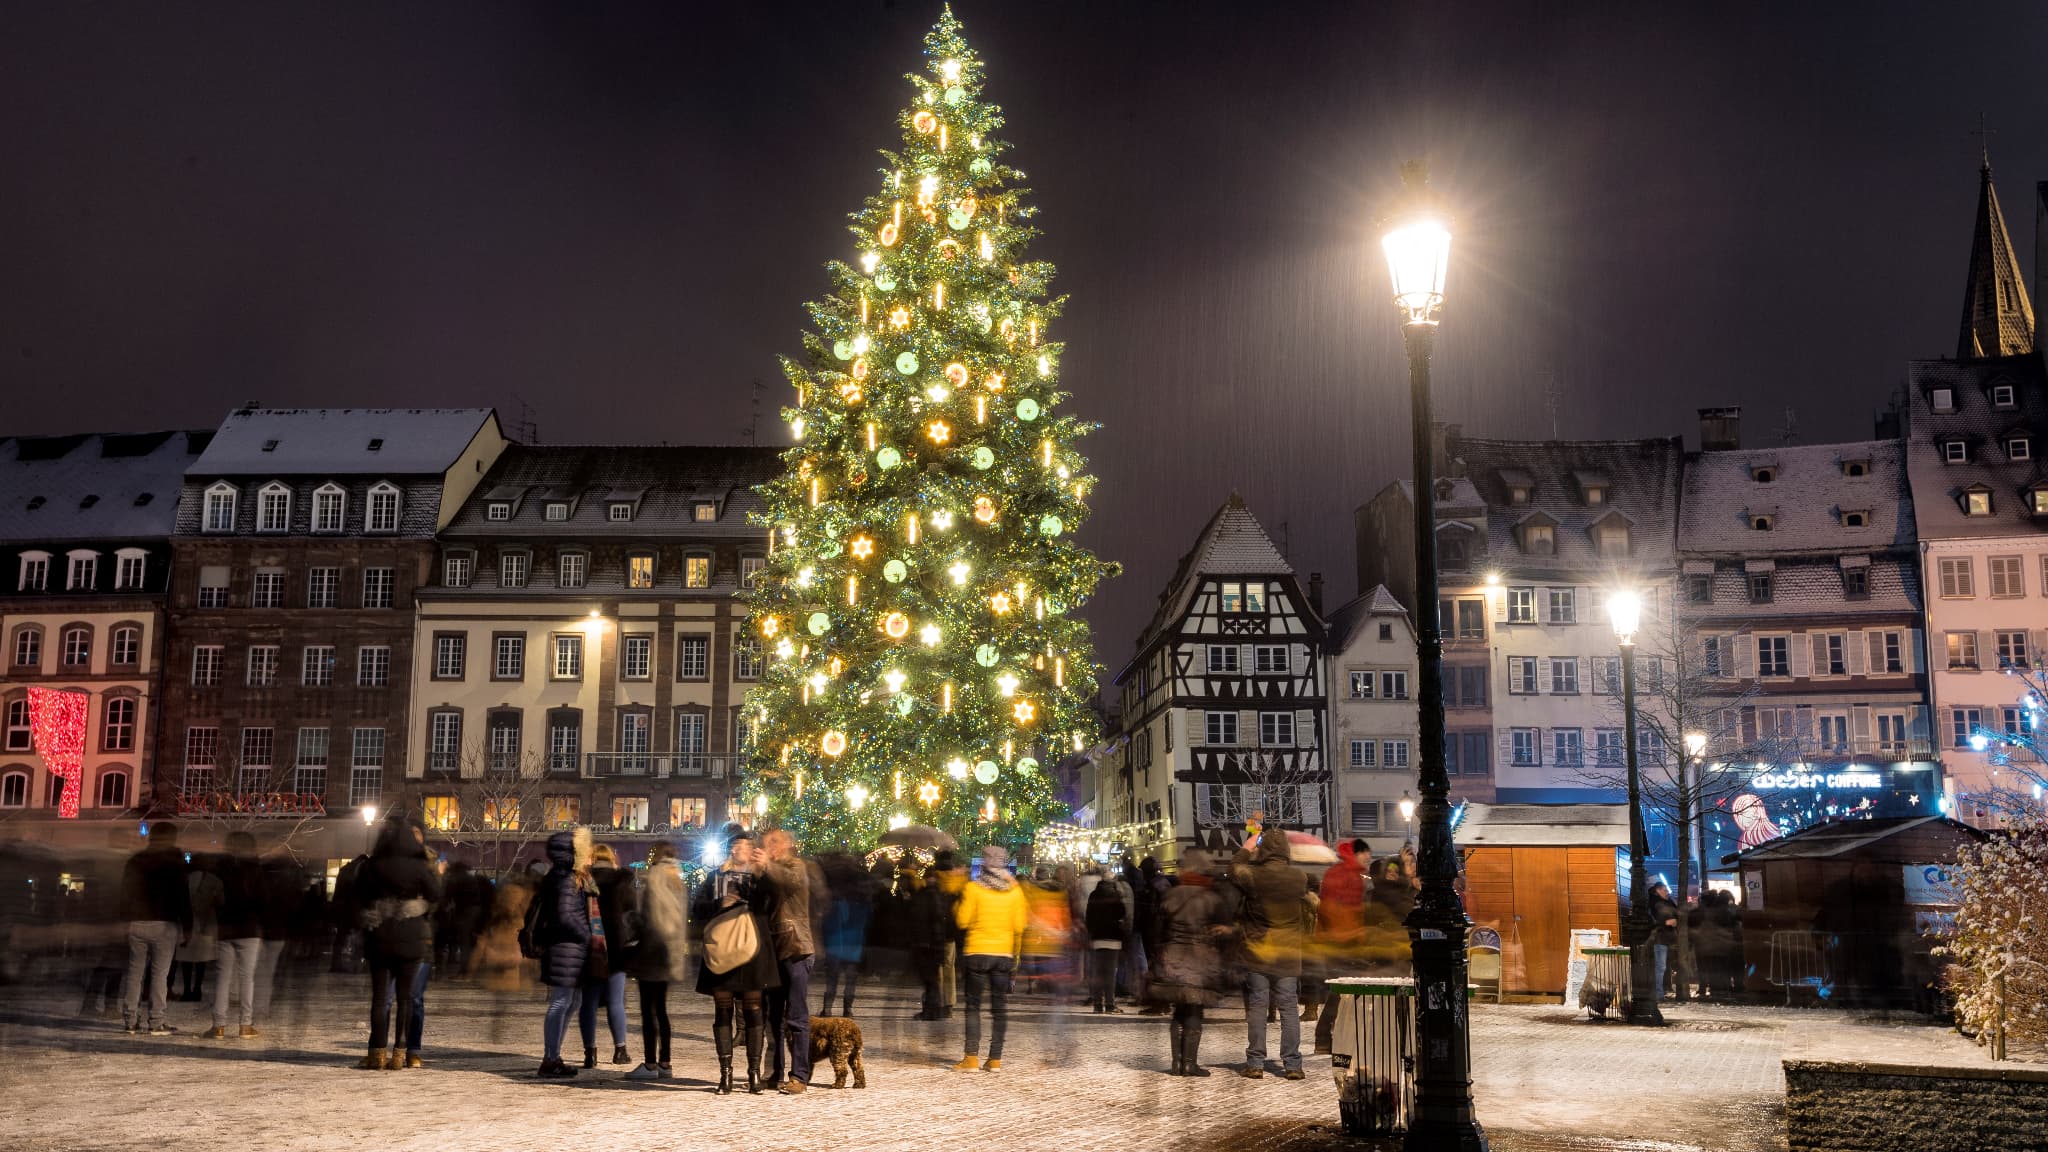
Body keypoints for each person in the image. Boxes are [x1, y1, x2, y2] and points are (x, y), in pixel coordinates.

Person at [693, 827, 781, 1094]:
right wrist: (719, 904)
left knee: (754, 1010)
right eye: (735, 846)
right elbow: (696, 909)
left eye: (744, 846)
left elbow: (773, 903)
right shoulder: (715, 876)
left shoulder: (760, 877)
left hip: (752, 950)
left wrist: (765, 873)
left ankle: (754, 1074)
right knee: (723, 1010)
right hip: (722, 949)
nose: (738, 850)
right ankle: (726, 1074)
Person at [352, 817, 441, 1069]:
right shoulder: (419, 867)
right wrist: (419, 904)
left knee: (380, 998)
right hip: (411, 938)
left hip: (379, 936)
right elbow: (436, 894)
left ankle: (377, 1052)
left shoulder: (373, 866)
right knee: (406, 999)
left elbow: (357, 895)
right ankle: (400, 1054)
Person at [1232, 828, 1308, 1080]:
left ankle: (1255, 1062)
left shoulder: (1254, 876)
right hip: (1287, 953)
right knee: (1288, 1007)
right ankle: (1293, 1064)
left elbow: (1234, 868)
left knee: (1257, 1006)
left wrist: (1247, 847)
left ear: (1264, 850)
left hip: (1259, 951)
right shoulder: (1299, 877)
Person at [1150, 849, 1233, 1075]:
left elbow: (1157, 931)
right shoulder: (1212, 898)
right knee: (1195, 1011)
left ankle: (1176, 1063)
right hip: (1200, 960)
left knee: (1178, 1011)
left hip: (1173, 958)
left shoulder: (1171, 895)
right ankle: (1189, 1063)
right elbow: (1224, 932)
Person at [953, 844, 1027, 1072]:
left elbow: (963, 921)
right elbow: (1019, 926)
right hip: (1003, 954)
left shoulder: (974, 888)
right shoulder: (1015, 891)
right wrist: (1015, 957)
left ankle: (971, 1058)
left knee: (973, 1006)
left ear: (984, 862)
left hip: (977, 952)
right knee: (999, 1008)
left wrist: (958, 906)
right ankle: (995, 1059)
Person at [526, 827, 594, 1079]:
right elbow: (565, 916)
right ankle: (550, 1058)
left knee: (570, 1002)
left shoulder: (565, 875)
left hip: (570, 949)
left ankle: (553, 1056)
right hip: (566, 948)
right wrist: (586, 935)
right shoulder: (565, 877)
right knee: (561, 1001)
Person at [757, 828, 817, 1094]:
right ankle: (773, 1073)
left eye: (775, 842)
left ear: (789, 844)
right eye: (766, 844)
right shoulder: (768, 871)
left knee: (796, 1016)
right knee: (773, 1017)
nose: (770, 847)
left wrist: (767, 865)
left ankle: (800, 1076)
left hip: (796, 946)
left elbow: (789, 882)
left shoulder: (796, 866)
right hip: (774, 949)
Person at [624, 842, 689, 1081]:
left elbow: (647, 918)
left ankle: (650, 1064)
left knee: (647, 1011)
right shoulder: (677, 879)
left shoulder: (655, 877)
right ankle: (665, 1062)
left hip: (651, 951)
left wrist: (631, 919)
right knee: (661, 1010)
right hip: (668, 952)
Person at [119, 822, 191, 1035]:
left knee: (134, 972)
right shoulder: (175, 864)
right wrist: (187, 927)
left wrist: (124, 920)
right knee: (160, 974)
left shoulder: (135, 860)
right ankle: (156, 1020)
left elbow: (125, 892)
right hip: (164, 922)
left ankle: (130, 1019)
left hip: (137, 922)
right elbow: (182, 898)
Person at [1313, 840, 1370, 1054]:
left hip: (1345, 941)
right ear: (1356, 854)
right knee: (1340, 992)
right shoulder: (1342, 874)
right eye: (1365, 853)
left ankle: (1333, 1037)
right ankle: (1324, 1037)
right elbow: (1331, 909)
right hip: (1339, 943)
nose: (1368, 857)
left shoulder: (1352, 874)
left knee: (1345, 992)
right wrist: (1349, 932)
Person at [206, 832, 264, 1039]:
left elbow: (212, 897)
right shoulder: (256, 869)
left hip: (226, 928)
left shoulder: (221, 869)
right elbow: (263, 900)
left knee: (223, 977)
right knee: (247, 978)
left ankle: (218, 1025)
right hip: (250, 928)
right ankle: (245, 1025)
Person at [583, 843, 633, 1067]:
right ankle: (620, 1050)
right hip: (616, 947)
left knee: (589, 1002)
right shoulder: (621, 882)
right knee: (616, 1000)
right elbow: (633, 913)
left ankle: (590, 1053)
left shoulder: (584, 881)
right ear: (612, 858)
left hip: (591, 945)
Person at [817, 854, 871, 1018]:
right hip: (854, 941)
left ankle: (827, 1008)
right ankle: (848, 1009)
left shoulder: (834, 894)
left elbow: (829, 919)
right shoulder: (861, 895)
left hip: (836, 940)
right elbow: (867, 916)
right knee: (850, 977)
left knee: (832, 977)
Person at [1084, 866, 1130, 1013]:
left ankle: (1098, 1004)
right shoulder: (1116, 895)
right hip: (1112, 938)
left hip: (1097, 938)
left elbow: (1089, 917)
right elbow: (1122, 914)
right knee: (1110, 974)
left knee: (1098, 973)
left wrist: (1091, 933)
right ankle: (1110, 1004)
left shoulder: (1093, 895)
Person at [176, 859, 222, 1003]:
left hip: (186, 924)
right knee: (201, 960)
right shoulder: (214, 880)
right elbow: (220, 902)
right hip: (206, 924)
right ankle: (197, 989)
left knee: (186, 959)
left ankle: (186, 990)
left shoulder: (184, 879)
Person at [1649, 881, 1681, 1001]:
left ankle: (1663, 990)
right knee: (1660, 966)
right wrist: (1665, 922)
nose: (1667, 892)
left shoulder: (1667, 902)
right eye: (1664, 890)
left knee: (1665, 966)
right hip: (1660, 938)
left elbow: (1677, 913)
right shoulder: (1653, 903)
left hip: (1669, 937)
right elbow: (1651, 921)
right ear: (1658, 890)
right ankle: (1658, 994)